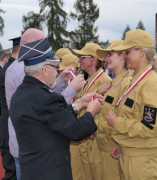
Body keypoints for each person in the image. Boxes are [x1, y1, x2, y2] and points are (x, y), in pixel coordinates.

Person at [10, 34, 103, 180]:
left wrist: (79, 104)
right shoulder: (45, 97)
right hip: (50, 172)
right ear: (45, 69)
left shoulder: (21, 94)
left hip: (32, 170)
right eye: (56, 67)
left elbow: (52, 118)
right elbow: (75, 130)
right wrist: (91, 111)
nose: (57, 72)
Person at [107, 29, 157, 180]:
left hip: (144, 164)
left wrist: (118, 123)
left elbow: (149, 128)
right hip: (131, 157)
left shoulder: (151, 84)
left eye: (127, 52)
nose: (125, 56)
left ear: (141, 51)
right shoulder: (137, 81)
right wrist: (124, 145)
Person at [71, 43, 112, 180]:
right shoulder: (88, 81)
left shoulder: (105, 80)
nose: (79, 60)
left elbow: (106, 111)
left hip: (95, 139)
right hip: (86, 137)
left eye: (83, 57)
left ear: (94, 59)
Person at [95, 40, 132, 180]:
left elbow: (122, 119)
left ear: (123, 56)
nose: (106, 59)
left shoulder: (127, 83)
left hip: (113, 148)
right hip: (104, 146)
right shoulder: (114, 82)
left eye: (110, 54)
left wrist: (94, 126)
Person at [0, 36, 21, 180]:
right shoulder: (12, 70)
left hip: (8, 128)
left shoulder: (9, 68)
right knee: (12, 173)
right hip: (10, 130)